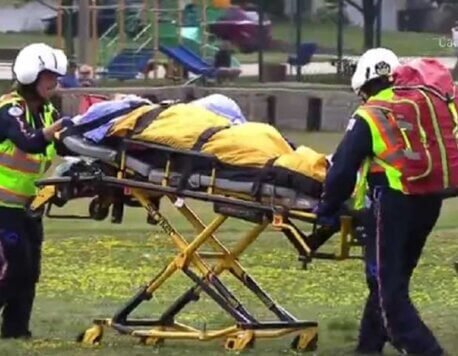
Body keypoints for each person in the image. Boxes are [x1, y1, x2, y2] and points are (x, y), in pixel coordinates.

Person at [314, 48, 446, 355]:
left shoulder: (370, 113)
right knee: (390, 283)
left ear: (365, 85)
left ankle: (426, 350)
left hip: (392, 204)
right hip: (429, 201)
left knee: (389, 294)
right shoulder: (421, 104)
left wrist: (327, 210)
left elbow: (343, 169)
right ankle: (367, 349)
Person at [0, 43, 69, 339]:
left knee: (30, 273)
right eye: (48, 78)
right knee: (13, 269)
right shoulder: (8, 109)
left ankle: (16, 331)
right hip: (3, 209)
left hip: (30, 208)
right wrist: (60, 128)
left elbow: (63, 147)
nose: (54, 84)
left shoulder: (49, 111)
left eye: (55, 78)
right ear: (30, 76)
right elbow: (28, 141)